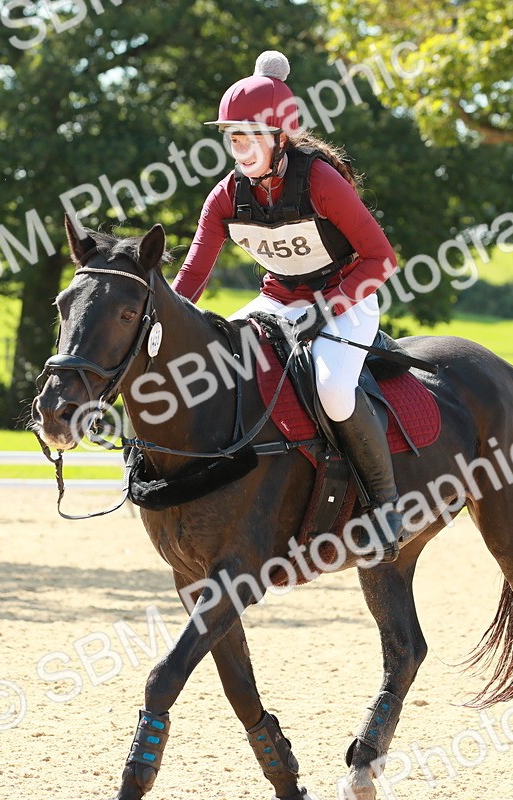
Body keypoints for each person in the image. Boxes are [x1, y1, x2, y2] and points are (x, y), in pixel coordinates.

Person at [171, 50, 403, 561]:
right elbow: (193, 274)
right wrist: (157, 320)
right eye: (233, 137)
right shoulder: (225, 197)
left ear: (280, 136)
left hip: (347, 297)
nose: (241, 147)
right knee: (210, 368)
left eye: (251, 135)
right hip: (277, 301)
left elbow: (381, 258)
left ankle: (386, 508)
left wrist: (329, 307)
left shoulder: (320, 182)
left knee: (334, 390)